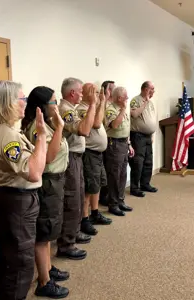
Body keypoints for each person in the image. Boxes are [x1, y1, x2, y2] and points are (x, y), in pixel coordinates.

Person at [0, 80, 46, 300]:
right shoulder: (6, 135)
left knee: (9, 258)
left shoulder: (7, 131)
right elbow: (34, 172)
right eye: (23, 99)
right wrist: (41, 135)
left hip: (11, 198)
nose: (25, 104)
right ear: (8, 103)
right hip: (15, 200)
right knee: (19, 262)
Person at [22, 86, 70, 299]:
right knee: (44, 233)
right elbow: (49, 158)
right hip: (48, 182)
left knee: (50, 229)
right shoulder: (36, 127)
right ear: (42, 106)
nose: (57, 105)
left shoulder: (46, 125)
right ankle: (44, 282)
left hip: (55, 181)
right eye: (54, 102)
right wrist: (60, 128)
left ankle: (48, 268)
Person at [57, 77, 97, 260]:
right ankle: (66, 244)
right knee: (72, 200)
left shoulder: (71, 108)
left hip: (77, 158)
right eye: (80, 91)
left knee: (79, 197)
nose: (83, 94)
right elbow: (84, 130)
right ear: (72, 93)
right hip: (70, 159)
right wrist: (93, 104)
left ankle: (74, 231)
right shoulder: (65, 110)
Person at [77, 84, 112, 236]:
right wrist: (102, 102)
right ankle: (85, 219)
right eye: (96, 92)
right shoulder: (82, 108)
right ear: (86, 93)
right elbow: (97, 123)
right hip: (89, 154)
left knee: (96, 185)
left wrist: (100, 103)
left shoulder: (93, 107)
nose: (99, 95)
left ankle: (95, 212)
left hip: (98, 154)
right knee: (89, 188)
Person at [104, 87, 135, 216]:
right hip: (114, 144)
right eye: (126, 97)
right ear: (119, 98)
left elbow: (125, 130)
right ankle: (113, 204)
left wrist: (129, 145)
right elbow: (115, 126)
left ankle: (120, 201)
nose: (127, 99)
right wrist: (122, 111)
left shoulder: (122, 110)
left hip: (123, 143)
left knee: (122, 174)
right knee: (114, 176)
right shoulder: (111, 110)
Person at [129, 81, 158, 197]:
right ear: (145, 89)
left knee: (148, 161)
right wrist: (144, 102)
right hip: (138, 136)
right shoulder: (136, 100)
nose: (153, 91)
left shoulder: (151, 103)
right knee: (138, 162)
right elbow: (135, 115)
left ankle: (145, 184)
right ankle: (135, 187)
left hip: (147, 136)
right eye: (152, 89)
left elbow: (150, 119)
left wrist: (151, 134)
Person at [99, 80, 115, 206]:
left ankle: (110, 194)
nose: (113, 91)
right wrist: (104, 99)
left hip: (111, 141)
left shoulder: (113, 104)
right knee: (106, 169)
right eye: (111, 89)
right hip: (105, 142)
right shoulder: (102, 104)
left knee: (111, 170)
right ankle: (103, 196)